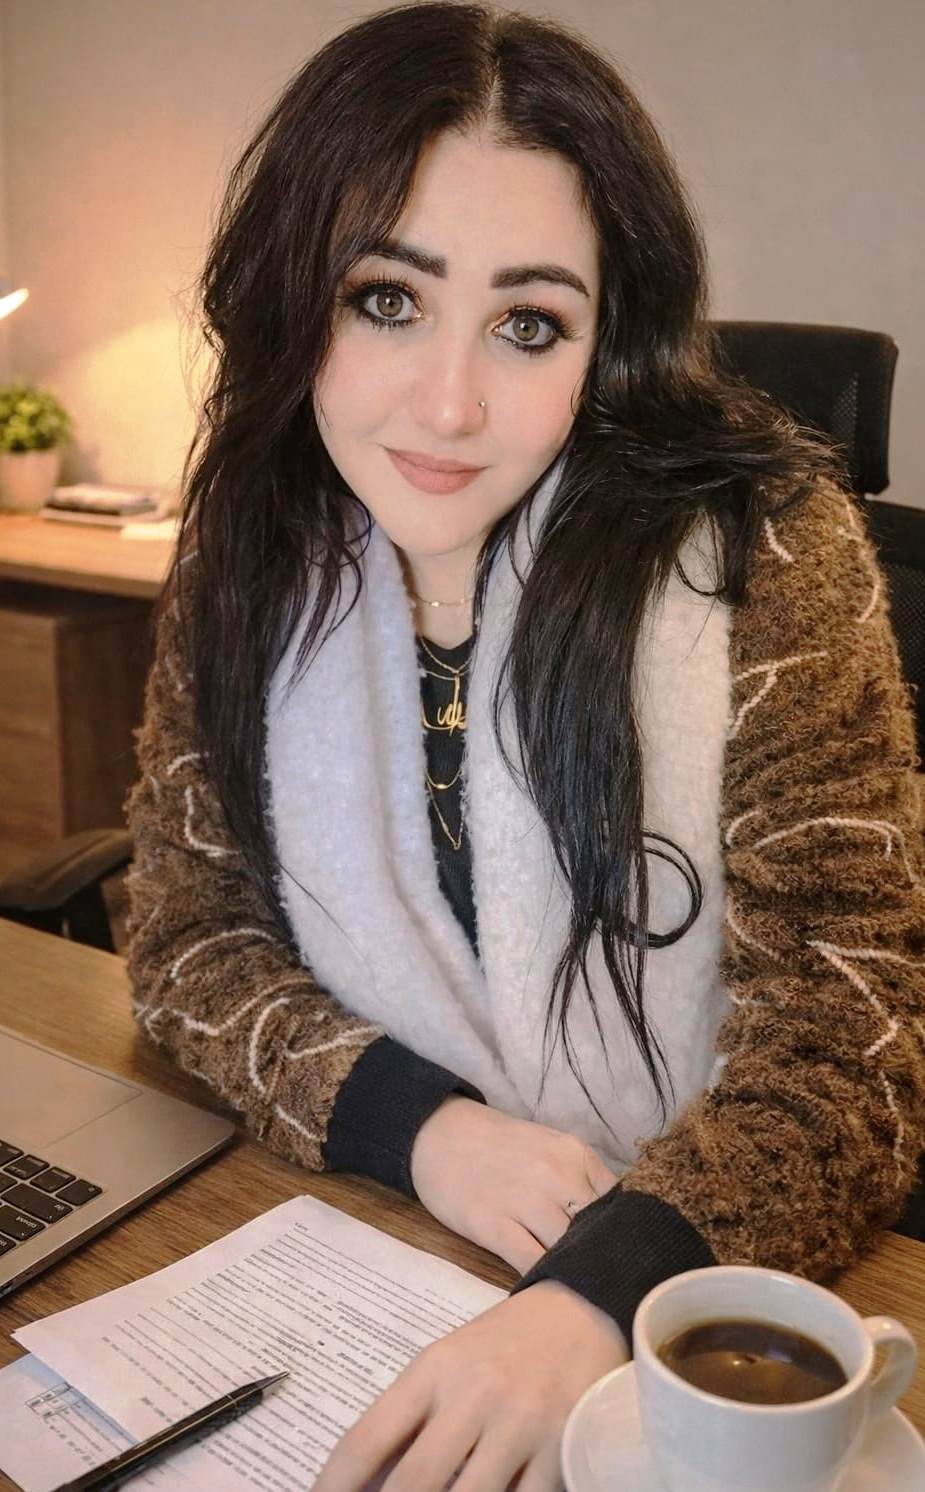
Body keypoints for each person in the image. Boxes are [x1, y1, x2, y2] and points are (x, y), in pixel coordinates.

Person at [125, 4, 925, 1488]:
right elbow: (184, 937)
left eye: (528, 323)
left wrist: (601, 1294)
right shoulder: (251, 554)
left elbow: (851, 1035)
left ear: (605, 341)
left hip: (688, 1298)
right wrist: (421, 1129)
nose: (448, 403)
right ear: (294, 294)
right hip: (385, 1244)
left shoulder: (765, 554)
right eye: (386, 299)